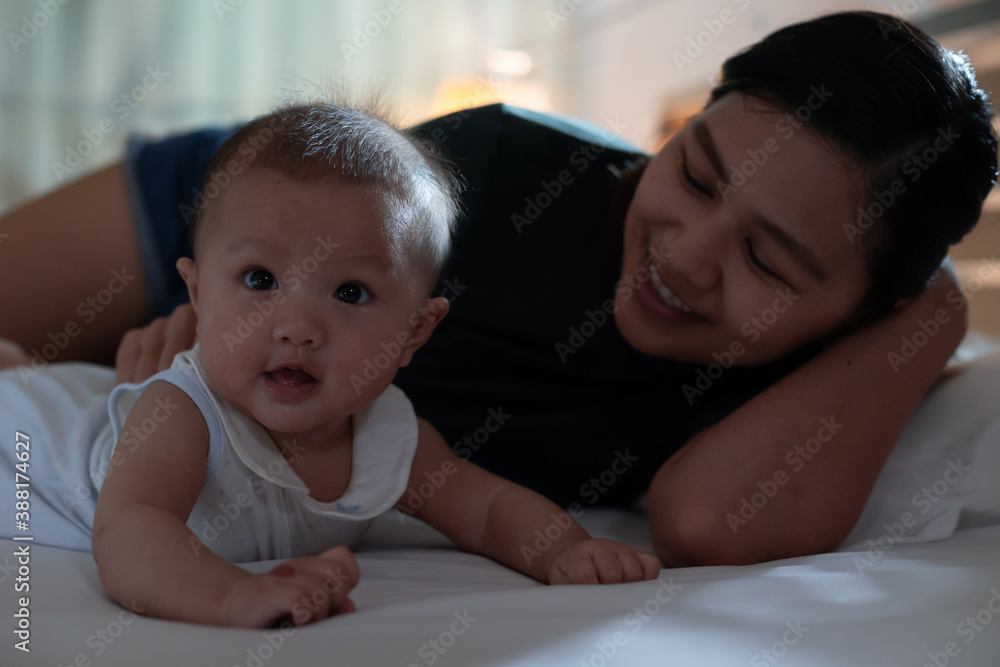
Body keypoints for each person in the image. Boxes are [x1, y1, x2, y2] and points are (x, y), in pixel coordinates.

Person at [2, 11, 996, 568]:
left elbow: (706, 524)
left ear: (866, 309)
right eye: (695, 173)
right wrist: (216, 321)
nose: (686, 258)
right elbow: (290, 240)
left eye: (768, 263)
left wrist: (933, 309)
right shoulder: (503, 168)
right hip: (223, 230)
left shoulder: (824, 373)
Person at [0, 100, 661, 629]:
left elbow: (487, 508)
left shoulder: (388, 438)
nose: (297, 328)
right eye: (260, 279)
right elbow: (130, 532)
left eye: (350, 292)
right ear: (197, 294)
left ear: (415, 331)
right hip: (23, 441)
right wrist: (233, 595)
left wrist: (566, 549)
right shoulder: (184, 412)